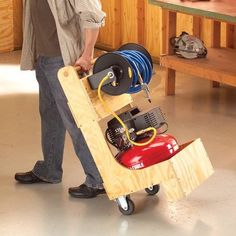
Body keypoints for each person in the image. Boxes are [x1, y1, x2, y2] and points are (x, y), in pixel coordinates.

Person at [15, 0, 106, 199]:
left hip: (64, 61)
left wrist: (87, 53)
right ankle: (50, 169)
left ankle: (97, 179)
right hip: (43, 57)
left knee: (76, 120)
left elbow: (93, 14)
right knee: (49, 115)